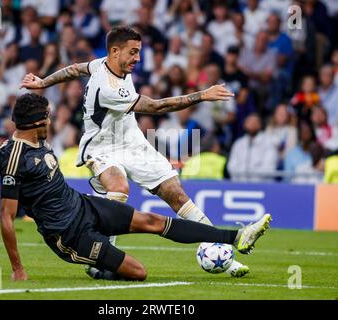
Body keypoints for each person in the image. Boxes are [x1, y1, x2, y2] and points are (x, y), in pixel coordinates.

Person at [21, 26, 251, 278]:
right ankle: (102, 256)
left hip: (132, 142)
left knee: (176, 194)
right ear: (115, 51)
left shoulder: (102, 63)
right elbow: (155, 106)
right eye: (133, 52)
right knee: (119, 188)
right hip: (102, 147)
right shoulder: (107, 87)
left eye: (139, 52)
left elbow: (75, 69)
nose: (138, 58)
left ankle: (224, 256)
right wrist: (202, 95)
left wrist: (43, 81)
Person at [0, 93, 272, 281]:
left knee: (154, 220)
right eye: (47, 116)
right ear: (36, 123)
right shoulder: (12, 157)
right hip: (68, 234)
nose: (50, 119)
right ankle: (100, 268)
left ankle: (237, 237)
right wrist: (17, 269)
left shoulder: (38, 140)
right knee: (139, 273)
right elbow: (7, 216)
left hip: (84, 206)